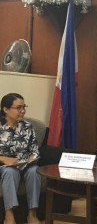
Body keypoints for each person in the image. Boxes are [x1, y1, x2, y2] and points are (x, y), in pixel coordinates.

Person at [0, 93, 41, 224]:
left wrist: (32, 158)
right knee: (10, 172)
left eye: (24, 107)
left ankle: (32, 214)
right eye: (18, 108)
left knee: (35, 171)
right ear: (5, 109)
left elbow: (35, 150)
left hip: (26, 165)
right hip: (5, 167)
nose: (22, 111)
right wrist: (4, 159)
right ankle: (9, 215)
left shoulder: (28, 127)